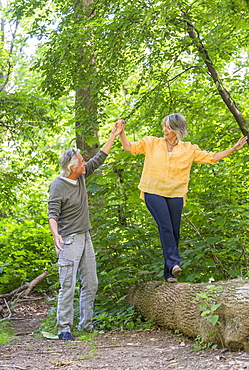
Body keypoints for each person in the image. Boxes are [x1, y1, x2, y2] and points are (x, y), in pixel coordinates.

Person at [116, 114, 248, 283]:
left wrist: (233, 149)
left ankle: (169, 274)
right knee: (165, 226)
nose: (165, 129)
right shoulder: (151, 143)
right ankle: (174, 263)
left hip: (176, 194)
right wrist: (121, 132)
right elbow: (128, 147)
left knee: (174, 231)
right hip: (153, 190)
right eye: (164, 126)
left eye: (169, 127)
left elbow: (211, 157)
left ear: (178, 130)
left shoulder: (189, 149)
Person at [48, 123, 123, 341]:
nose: (85, 164)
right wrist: (56, 234)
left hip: (85, 236)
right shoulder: (58, 186)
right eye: (81, 162)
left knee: (91, 282)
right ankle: (64, 328)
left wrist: (114, 135)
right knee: (68, 285)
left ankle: (86, 325)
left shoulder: (81, 175)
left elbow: (99, 158)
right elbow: (52, 214)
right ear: (72, 167)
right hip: (69, 240)